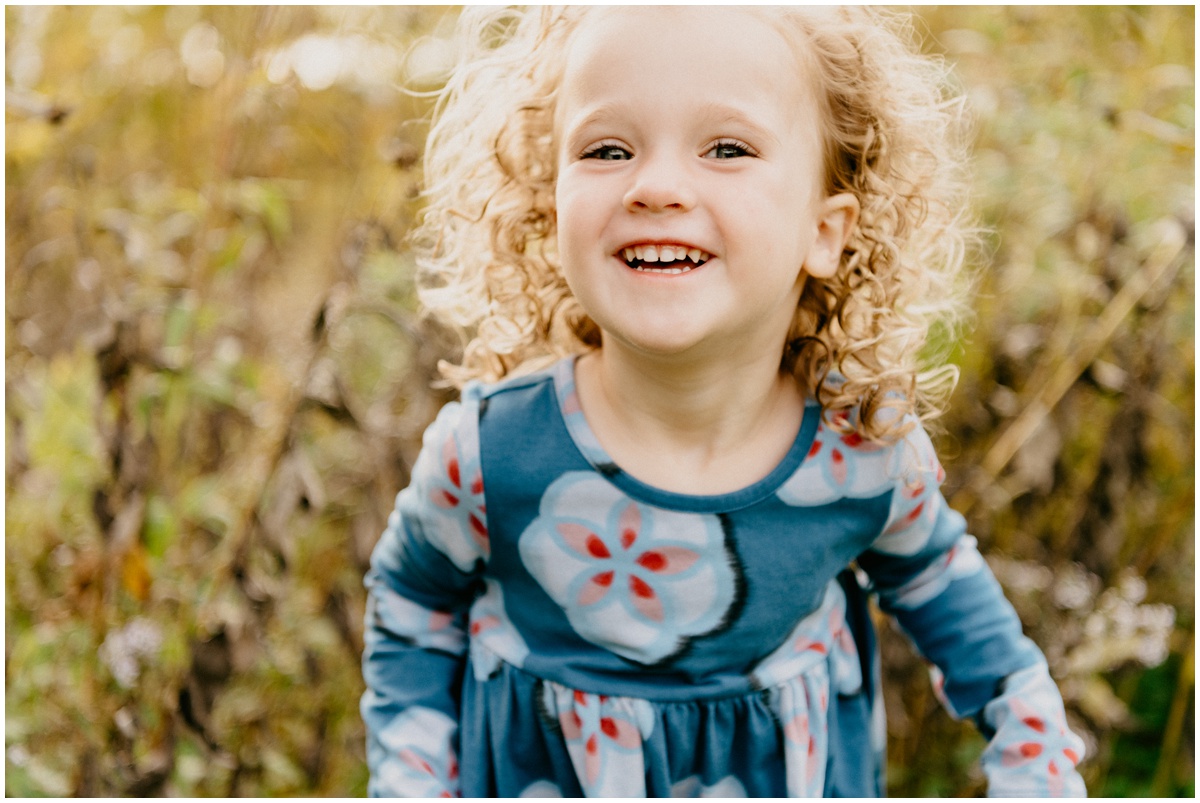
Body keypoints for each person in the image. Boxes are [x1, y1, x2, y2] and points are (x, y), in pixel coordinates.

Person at [361, 6, 1087, 797]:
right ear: (549, 202)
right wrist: (412, 779)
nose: (658, 186)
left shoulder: (860, 455)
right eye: (608, 148)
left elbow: (946, 590)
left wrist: (1035, 758)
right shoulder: (491, 455)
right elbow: (413, 608)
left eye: (728, 148)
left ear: (825, 228)